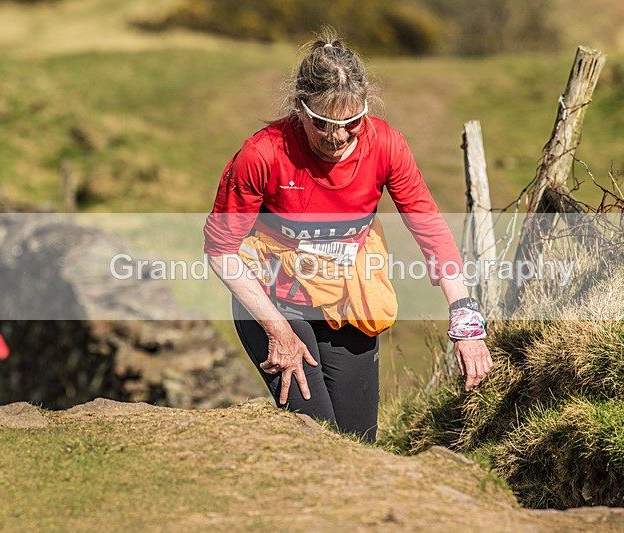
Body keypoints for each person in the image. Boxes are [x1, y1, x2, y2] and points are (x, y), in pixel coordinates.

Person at [204, 29, 492, 442]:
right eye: (322, 123)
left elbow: (429, 228)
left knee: (360, 446)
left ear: (366, 107)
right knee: (318, 437)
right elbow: (220, 249)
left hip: (348, 301)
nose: (337, 137)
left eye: (351, 123)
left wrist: (465, 319)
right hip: (273, 302)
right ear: (300, 107)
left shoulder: (386, 145)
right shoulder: (263, 154)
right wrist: (277, 330)